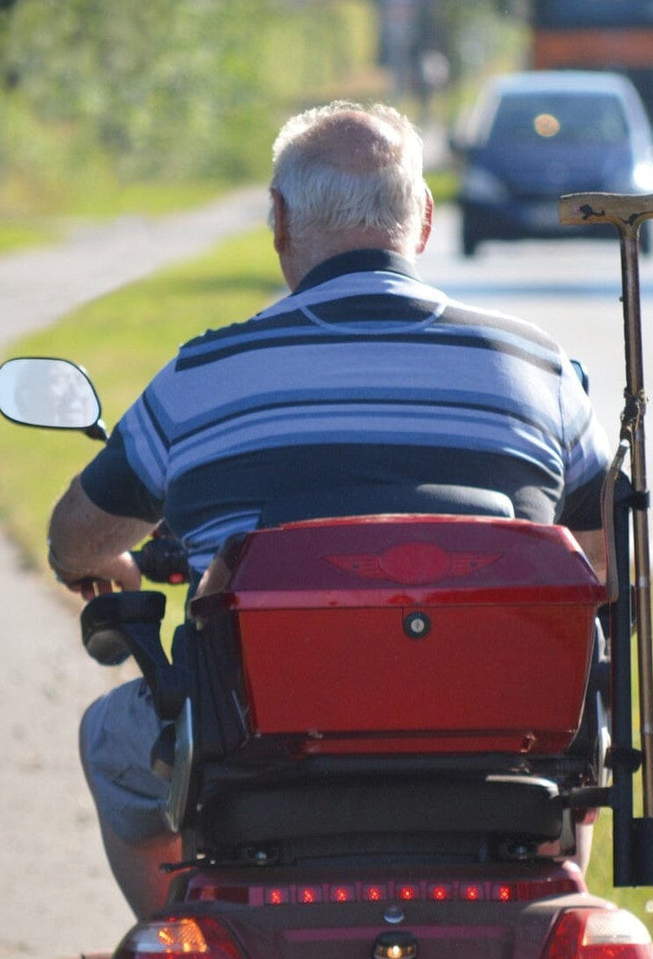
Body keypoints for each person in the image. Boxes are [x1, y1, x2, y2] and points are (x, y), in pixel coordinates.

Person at [45, 100, 612, 919]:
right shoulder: (540, 368)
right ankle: (548, 902)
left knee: (110, 739)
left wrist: (100, 563)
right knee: (583, 713)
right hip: (505, 767)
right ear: (424, 219)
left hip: (256, 766)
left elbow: (75, 535)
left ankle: (189, 924)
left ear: (279, 221)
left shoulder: (202, 377)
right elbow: (604, 564)